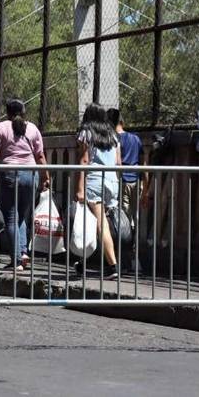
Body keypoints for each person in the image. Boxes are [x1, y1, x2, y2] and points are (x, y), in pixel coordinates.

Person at [0, 99, 50, 271]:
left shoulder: (0, 128)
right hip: (31, 175)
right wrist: (46, 177)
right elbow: (40, 156)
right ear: (24, 112)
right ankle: (23, 252)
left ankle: (17, 261)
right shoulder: (33, 128)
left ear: (7, 112)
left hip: (9, 175)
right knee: (21, 216)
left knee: (11, 218)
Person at [75, 103, 121, 280]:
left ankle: (112, 266)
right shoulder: (113, 135)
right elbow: (118, 163)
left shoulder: (86, 132)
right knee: (91, 223)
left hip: (94, 180)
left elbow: (84, 160)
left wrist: (80, 188)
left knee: (100, 224)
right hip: (112, 181)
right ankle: (82, 262)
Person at [107, 108, 146, 271]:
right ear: (122, 121)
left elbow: (116, 162)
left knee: (122, 223)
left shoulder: (113, 140)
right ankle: (136, 259)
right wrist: (145, 185)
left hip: (122, 182)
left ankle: (124, 260)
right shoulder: (136, 139)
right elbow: (143, 162)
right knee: (136, 222)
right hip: (137, 181)